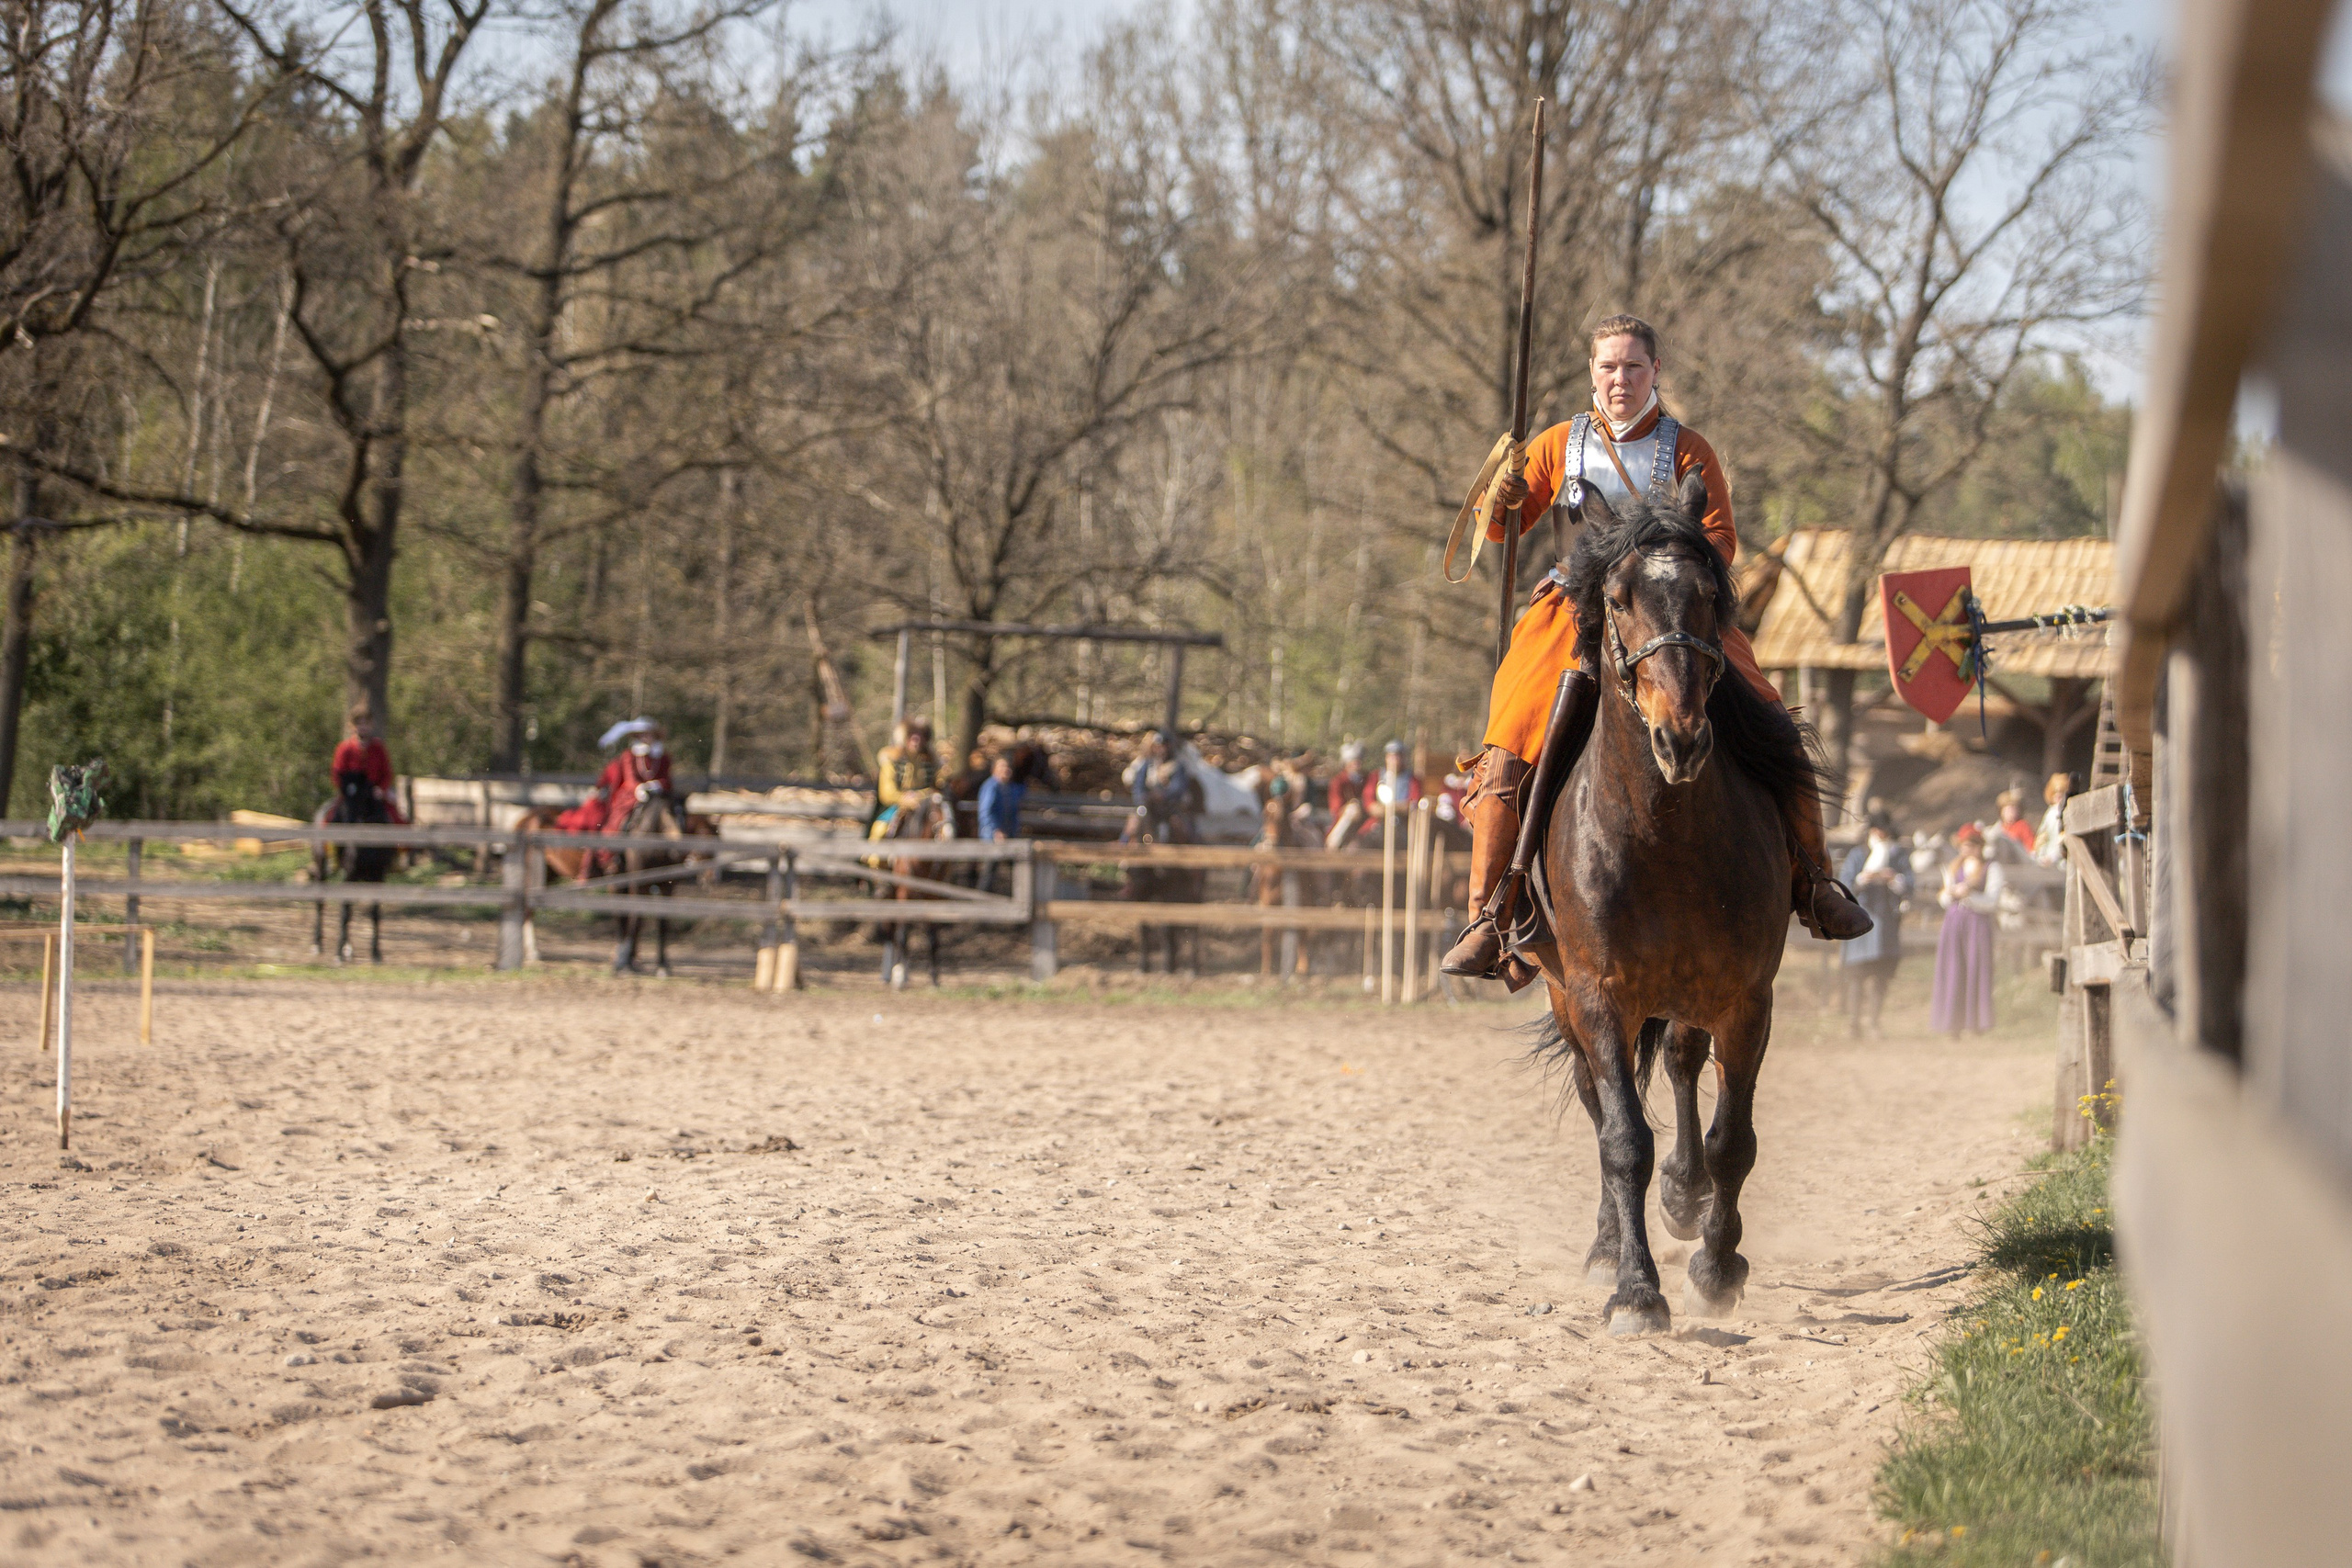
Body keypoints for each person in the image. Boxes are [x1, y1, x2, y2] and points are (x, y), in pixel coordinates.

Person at [1443, 314, 1871, 977]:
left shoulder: (1690, 448)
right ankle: (1490, 915)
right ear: (1593, 373)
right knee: (1507, 740)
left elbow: (1722, 539)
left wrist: (1664, 564)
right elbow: (1506, 532)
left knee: (1772, 717)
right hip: (1573, 609)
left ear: (1655, 372)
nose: (1620, 380)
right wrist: (1499, 501)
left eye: (1633, 367)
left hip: (1672, 608)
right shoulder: (1560, 443)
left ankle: (1817, 881)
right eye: (1609, 367)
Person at [1839, 813, 1911, 1037]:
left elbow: (1910, 884)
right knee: (1857, 975)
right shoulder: (1858, 855)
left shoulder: (1897, 855)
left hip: (1886, 923)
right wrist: (1863, 879)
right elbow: (1845, 885)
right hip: (1861, 920)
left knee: (1881, 975)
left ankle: (1874, 1022)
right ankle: (1854, 1022)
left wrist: (1893, 879)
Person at [1931, 824, 2001, 1035]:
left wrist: (1969, 896)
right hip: (1954, 923)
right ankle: (1952, 1022)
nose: (1968, 849)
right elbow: (1943, 898)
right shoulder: (1954, 867)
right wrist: (1952, 893)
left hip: (1977, 924)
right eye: (1964, 845)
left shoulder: (1991, 868)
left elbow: (1992, 901)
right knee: (1954, 969)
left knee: (1976, 968)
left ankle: (1977, 1022)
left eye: (1972, 845)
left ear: (1980, 846)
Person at [560, 717, 674, 837]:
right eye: (641, 735)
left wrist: (656, 785)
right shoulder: (629, 755)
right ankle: (613, 848)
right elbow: (630, 779)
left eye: (648, 735)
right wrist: (639, 788)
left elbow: (666, 778)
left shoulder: (663, 757)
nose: (645, 738)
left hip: (658, 795)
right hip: (632, 796)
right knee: (618, 821)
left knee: (673, 815)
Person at [329, 704, 406, 823]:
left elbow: (387, 773)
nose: (363, 727)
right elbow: (337, 773)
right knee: (330, 819)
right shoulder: (345, 748)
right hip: (352, 794)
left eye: (366, 723)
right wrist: (346, 790)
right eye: (359, 724)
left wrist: (381, 789)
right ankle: (323, 840)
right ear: (352, 726)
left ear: (371, 725)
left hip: (375, 793)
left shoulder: (378, 748)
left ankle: (403, 841)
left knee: (397, 819)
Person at [870, 718, 944, 840]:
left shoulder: (930, 762)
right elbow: (886, 793)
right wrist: (903, 799)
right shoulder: (892, 761)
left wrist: (922, 796)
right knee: (880, 830)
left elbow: (937, 786)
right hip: (897, 806)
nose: (916, 739)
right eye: (912, 735)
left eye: (920, 735)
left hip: (927, 804)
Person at [977, 753, 1025, 842]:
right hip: (991, 837)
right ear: (994, 769)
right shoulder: (991, 787)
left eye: (1007, 767)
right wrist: (995, 830)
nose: (1005, 769)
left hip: (1008, 835)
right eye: (1002, 766)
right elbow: (985, 812)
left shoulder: (1011, 788)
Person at [2032, 772, 2073, 865]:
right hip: (2047, 855)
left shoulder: (2068, 811)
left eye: (2061, 793)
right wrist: (2038, 851)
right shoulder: (2049, 813)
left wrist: (2055, 856)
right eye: (2055, 793)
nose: (2058, 796)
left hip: (2062, 859)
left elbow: (2064, 837)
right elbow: (2043, 834)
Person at [1995, 788, 2037, 855]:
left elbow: (2030, 847)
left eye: (2013, 810)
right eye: (2007, 810)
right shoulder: (1998, 827)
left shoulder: (2023, 826)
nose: (2010, 813)